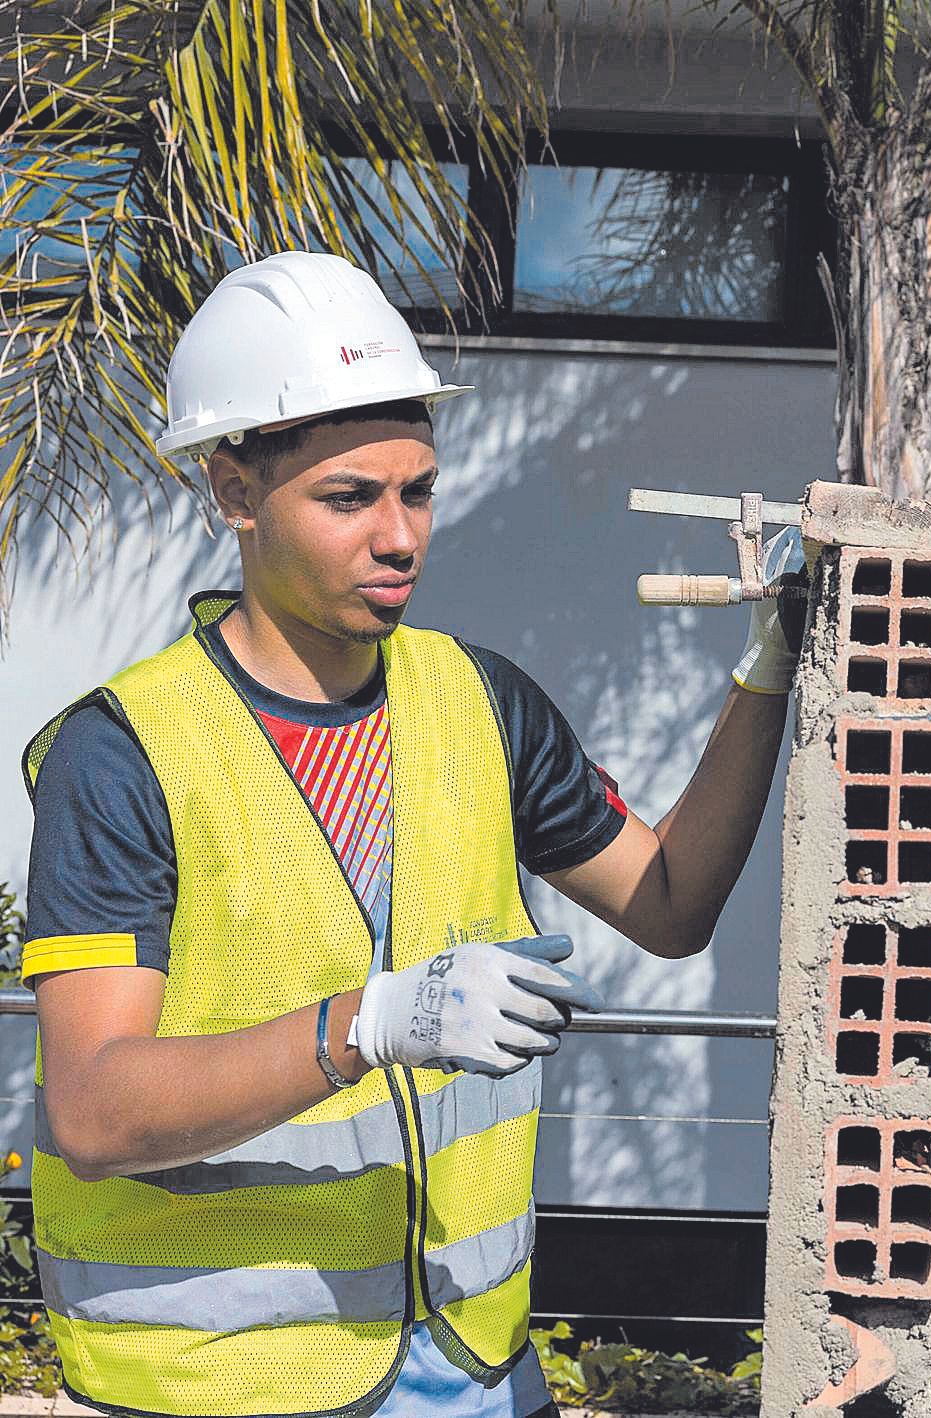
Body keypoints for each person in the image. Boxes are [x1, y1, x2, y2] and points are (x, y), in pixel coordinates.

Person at [17, 251, 802, 1418]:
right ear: (235, 492)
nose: (401, 537)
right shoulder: (125, 749)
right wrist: (375, 1021)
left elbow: (671, 903)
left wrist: (768, 665)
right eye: (349, 497)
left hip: (474, 1364)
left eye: (418, 489)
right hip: (221, 1381)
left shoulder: (477, 701)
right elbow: (92, 1108)